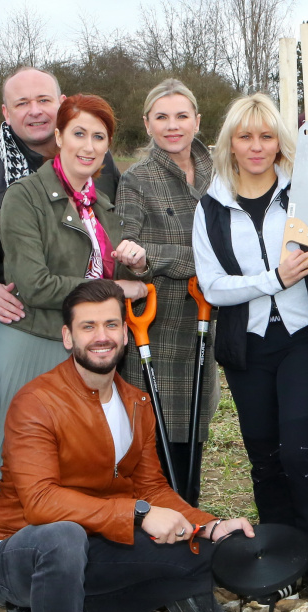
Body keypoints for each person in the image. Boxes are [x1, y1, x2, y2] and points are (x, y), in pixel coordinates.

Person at [0, 279, 255, 612]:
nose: (102, 336)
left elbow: (152, 487)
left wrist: (209, 526)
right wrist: (138, 514)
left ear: (126, 334)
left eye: (111, 325)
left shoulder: (135, 402)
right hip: (24, 553)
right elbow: (40, 503)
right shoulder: (37, 402)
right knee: (64, 537)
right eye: (88, 327)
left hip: (96, 539)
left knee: (215, 552)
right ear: (67, 337)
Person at [191, 92, 308, 612]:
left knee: (299, 454)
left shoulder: (305, 192)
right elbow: (213, 285)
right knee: (264, 458)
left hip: (303, 339)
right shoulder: (212, 205)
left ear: (280, 142)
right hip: (246, 347)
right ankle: (274, 566)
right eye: (245, 136)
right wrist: (271, 280)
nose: (255, 146)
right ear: (230, 142)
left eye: (266, 136)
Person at [0, 94, 148, 601]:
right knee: (22, 475)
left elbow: (111, 272)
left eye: (99, 137)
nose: (88, 146)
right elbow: (31, 280)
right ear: (59, 138)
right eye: (79, 134)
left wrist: (133, 264)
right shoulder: (24, 196)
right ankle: (17, 586)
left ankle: (76, 576)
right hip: (30, 344)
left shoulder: (103, 204)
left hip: (82, 352)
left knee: (81, 471)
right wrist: (116, 292)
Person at [115, 79, 219, 500]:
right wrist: (202, 265)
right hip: (154, 327)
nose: (172, 126)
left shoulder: (220, 173)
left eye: (181, 116)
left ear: (196, 120)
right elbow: (127, 252)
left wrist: (156, 256)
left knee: (194, 437)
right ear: (147, 124)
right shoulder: (137, 180)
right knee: (154, 443)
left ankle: (187, 520)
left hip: (205, 322)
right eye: (162, 117)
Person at [0, 67, 121, 327]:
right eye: (22, 103)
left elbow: (118, 229)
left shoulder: (98, 163)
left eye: (44, 100)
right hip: (29, 323)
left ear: (62, 103)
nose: (35, 111)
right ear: (6, 113)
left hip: (99, 322)